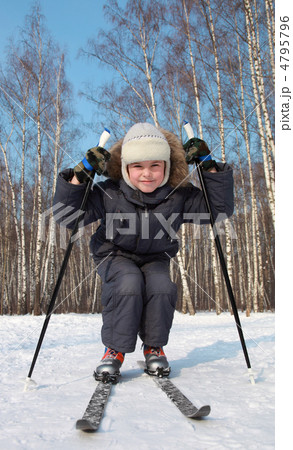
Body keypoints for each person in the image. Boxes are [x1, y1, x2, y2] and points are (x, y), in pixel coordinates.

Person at [53, 122, 234, 381]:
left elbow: (219, 209)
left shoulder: (179, 194)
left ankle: (153, 347)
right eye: (137, 166)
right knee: (128, 283)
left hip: (156, 256)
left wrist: (209, 166)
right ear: (125, 169)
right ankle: (113, 351)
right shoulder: (109, 192)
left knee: (161, 286)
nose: (146, 174)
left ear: (166, 167)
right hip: (113, 254)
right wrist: (80, 176)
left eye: (155, 166)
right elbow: (67, 215)